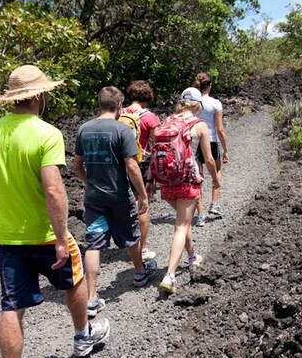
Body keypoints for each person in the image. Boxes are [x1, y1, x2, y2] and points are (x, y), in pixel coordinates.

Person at [0, 65, 109, 358]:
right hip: (44, 234)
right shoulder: (46, 133)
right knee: (75, 279)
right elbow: (54, 191)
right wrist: (59, 237)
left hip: (8, 236)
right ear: (39, 95)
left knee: (11, 306)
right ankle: (83, 338)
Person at [73, 86, 158, 318]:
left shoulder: (84, 129)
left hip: (94, 198)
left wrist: (89, 181)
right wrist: (141, 194)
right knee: (131, 235)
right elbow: (131, 166)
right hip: (119, 195)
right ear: (119, 106)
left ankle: (91, 298)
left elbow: (76, 165)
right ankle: (140, 273)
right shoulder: (122, 130)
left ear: (100, 104)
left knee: (94, 244)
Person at [149, 87, 219, 294]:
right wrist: (215, 179)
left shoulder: (167, 122)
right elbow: (208, 159)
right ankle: (170, 275)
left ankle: (192, 256)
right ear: (198, 106)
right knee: (181, 225)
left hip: (166, 180)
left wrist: (151, 180)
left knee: (183, 220)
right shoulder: (200, 126)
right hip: (187, 180)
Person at [122, 80, 161, 262]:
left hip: (121, 164)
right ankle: (142, 249)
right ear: (147, 96)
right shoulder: (150, 117)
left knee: (126, 204)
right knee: (143, 205)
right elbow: (159, 144)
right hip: (141, 164)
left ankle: (128, 242)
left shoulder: (120, 113)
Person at [192, 72, 228, 227]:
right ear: (210, 86)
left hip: (194, 141)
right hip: (211, 141)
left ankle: (200, 215)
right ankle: (214, 203)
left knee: (197, 177)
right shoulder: (215, 103)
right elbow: (220, 129)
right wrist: (226, 149)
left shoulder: (192, 102)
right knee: (217, 169)